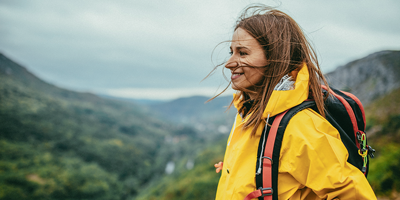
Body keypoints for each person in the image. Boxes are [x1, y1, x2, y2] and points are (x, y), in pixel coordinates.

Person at [212, 5, 377, 200]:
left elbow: (352, 192)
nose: (229, 63)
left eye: (243, 53)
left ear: (275, 58)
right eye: (231, 52)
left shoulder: (300, 127)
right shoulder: (247, 111)